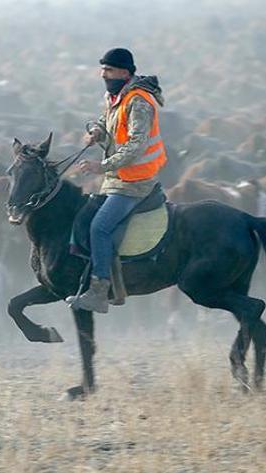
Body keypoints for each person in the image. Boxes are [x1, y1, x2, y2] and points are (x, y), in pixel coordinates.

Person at [66, 47, 167, 313]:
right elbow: (106, 121)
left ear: (124, 72)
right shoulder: (116, 97)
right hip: (118, 179)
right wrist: (97, 132)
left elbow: (136, 145)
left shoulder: (139, 102)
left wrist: (102, 166)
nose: (103, 75)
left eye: (108, 70)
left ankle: (99, 292)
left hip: (136, 182)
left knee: (100, 227)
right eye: (102, 70)